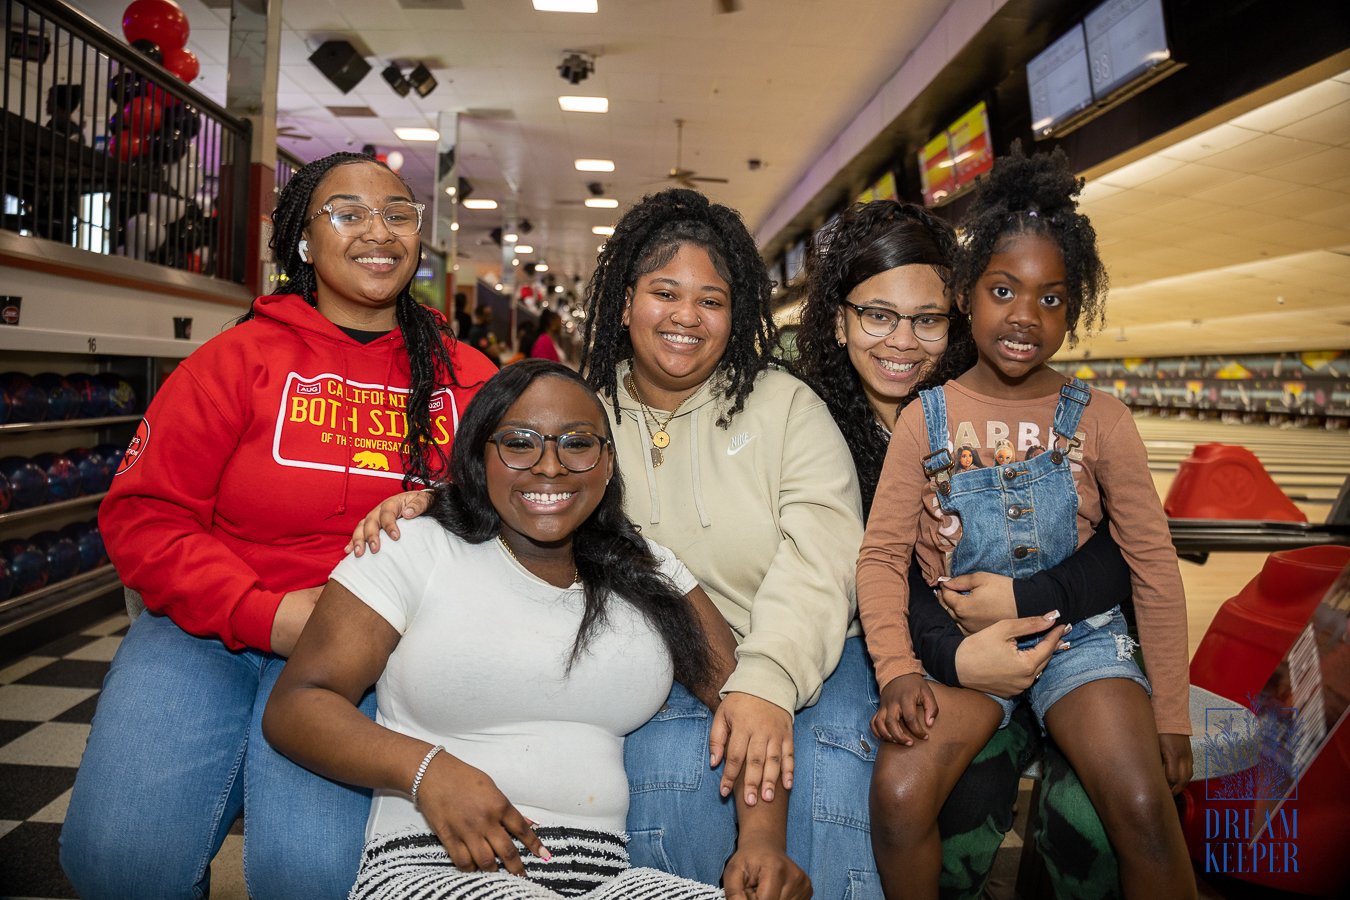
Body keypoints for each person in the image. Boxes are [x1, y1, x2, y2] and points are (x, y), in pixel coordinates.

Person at [353, 188, 865, 896]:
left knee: (832, 765)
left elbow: (823, 559)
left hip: (802, 653)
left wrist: (767, 683)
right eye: (664, 293)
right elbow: (518, 481)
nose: (687, 316)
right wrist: (434, 501)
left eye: (711, 301)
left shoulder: (786, 408)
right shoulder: (582, 409)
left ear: (736, 314)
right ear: (624, 304)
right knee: (663, 772)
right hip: (652, 661)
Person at [60, 151, 497, 900]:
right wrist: (270, 615)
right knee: (118, 863)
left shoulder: (470, 378)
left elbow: (508, 522)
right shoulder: (232, 362)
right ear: (302, 240)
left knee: (315, 880)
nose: (378, 231)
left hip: (369, 656)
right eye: (348, 213)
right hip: (206, 632)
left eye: (397, 214)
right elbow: (145, 515)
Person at [264, 361, 749, 899]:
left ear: (608, 462)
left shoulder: (647, 570)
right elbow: (297, 705)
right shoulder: (413, 547)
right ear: (479, 455)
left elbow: (746, 706)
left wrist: (762, 844)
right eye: (519, 443)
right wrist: (428, 771)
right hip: (433, 869)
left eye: (577, 444)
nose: (549, 467)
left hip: (605, 881)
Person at [856, 147, 1195, 899]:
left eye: (1050, 299)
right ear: (967, 298)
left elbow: (1151, 565)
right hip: (968, 649)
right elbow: (882, 561)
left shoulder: (1102, 419)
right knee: (900, 795)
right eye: (1003, 290)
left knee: (1143, 809)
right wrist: (899, 671)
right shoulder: (924, 419)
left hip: (1083, 641)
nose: (1023, 316)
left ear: (1073, 311)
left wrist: (1170, 709)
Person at [794, 197, 1134, 897]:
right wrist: (955, 657)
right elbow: (889, 570)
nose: (901, 341)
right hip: (931, 658)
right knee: (958, 805)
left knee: (1095, 822)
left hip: (1066, 639)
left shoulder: (994, 404)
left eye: (926, 319)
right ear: (840, 317)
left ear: (954, 316)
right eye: (877, 315)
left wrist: (1027, 601)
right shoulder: (812, 429)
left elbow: (1122, 548)